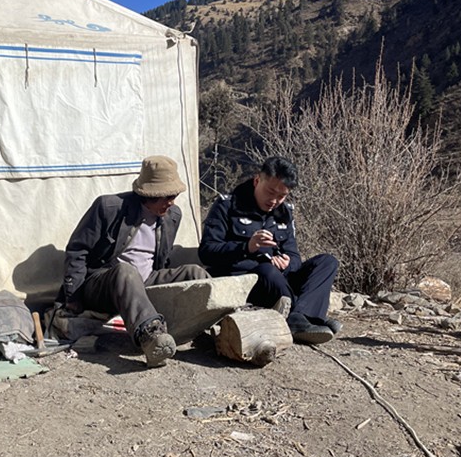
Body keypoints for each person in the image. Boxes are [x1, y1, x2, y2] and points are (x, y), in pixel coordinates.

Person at [56, 155, 209, 367]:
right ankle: (150, 337)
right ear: (150, 194)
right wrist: (73, 298)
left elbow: (162, 260)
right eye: (167, 196)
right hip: (104, 284)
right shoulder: (109, 208)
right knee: (126, 271)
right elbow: (77, 250)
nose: (171, 202)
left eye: (174, 195)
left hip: (145, 282)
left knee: (195, 273)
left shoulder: (172, 215)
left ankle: (216, 325)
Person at [198, 156, 340, 344]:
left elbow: (294, 256)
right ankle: (305, 319)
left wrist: (287, 263)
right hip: (249, 282)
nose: (274, 200)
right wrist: (247, 247)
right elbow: (207, 252)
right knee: (266, 270)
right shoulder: (227, 206)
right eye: (270, 192)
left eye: (281, 196)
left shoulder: (284, 213)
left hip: (280, 281)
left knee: (327, 262)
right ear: (257, 180)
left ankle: (300, 317)